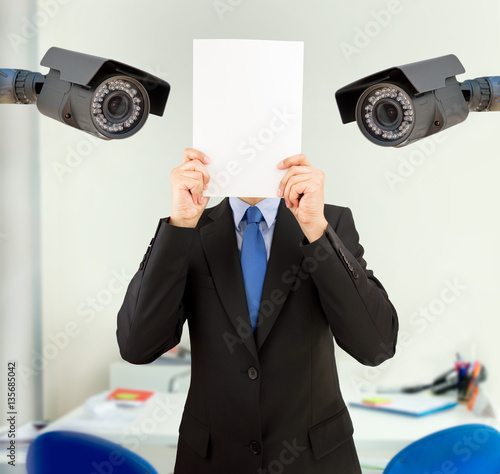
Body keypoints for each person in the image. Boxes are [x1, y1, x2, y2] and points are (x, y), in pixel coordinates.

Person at [116, 148, 399, 474]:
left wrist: (316, 230)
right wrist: (179, 226)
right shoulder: (187, 227)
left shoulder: (327, 222)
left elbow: (376, 346)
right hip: (213, 461)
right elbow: (137, 346)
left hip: (313, 461)